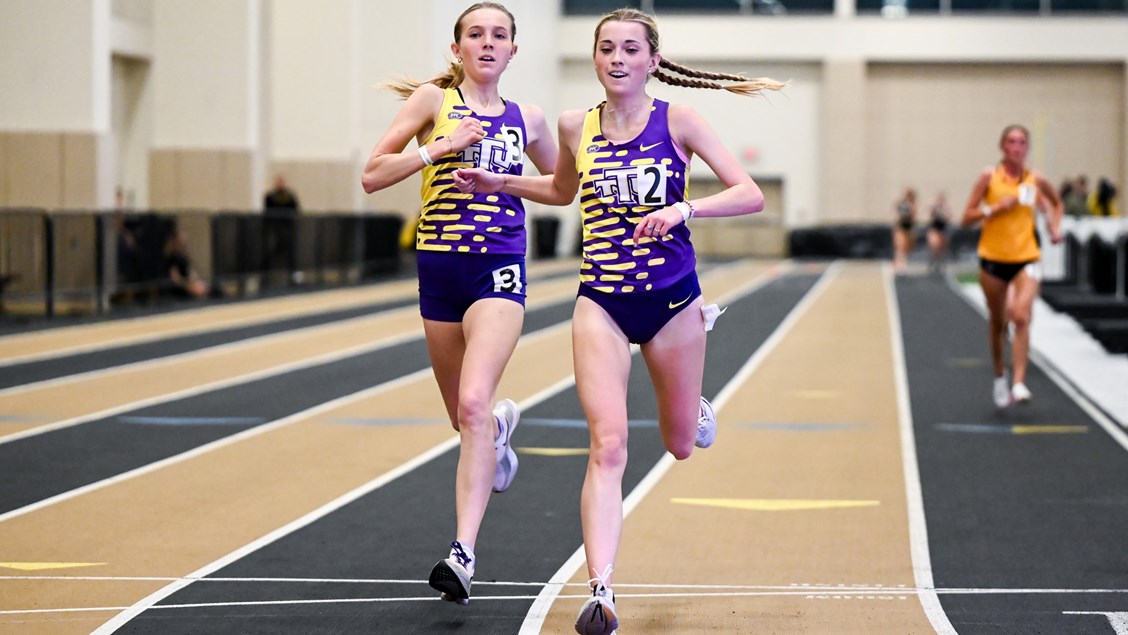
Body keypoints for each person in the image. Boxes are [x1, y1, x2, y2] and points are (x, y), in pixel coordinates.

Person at [452, 9, 782, 634]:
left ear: (652, 61)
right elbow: (560, 190)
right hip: (599, 300)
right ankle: (600, 591)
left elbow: (750, 193)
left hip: (671, 302)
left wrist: (684, 209)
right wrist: (498, 179)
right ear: (596, 59)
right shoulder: (578, 125)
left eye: (631, 49)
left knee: (680, 443)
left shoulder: (678, 121)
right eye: (607, 48)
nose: (618, 58)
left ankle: (696, 407)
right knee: (608, 446)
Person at [358, 2, 557, 606]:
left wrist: (506, 182)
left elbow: (560, 187)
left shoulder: (531, 118)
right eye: (476, 35)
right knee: (465, 418)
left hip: (497, 269)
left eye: (500, 35)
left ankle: (462, 554)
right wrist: (436, 149)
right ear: (458, 50)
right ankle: (497, 429)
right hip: (439, 271)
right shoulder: (430, 103)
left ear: (514, 52)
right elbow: (371, 175)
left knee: (472, 399)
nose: (488, 44)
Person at [960, 124, 1063, 408]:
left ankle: (1019, 383)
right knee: (998, 321)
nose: (1017, 147)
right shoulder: (988, 177)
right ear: (1002, 146)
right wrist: (993, 208)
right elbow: (965, 217)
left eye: (1022, 142)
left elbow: (1057, 204)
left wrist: (1054, 227)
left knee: (1020, 315)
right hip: (993, 258)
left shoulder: (1035, 179)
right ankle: (999, 375)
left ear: (1027, 148)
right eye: (1011, 142)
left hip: (1026, 256)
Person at [163, 229, 210, 300]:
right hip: (180, 289)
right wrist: (188, 286)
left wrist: (198, 282)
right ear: (176, 242)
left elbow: (191, 272)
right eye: (182, 240)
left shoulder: (183, 257)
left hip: (189, 285)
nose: (185, 242)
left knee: (213, 289)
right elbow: (176, 279)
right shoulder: (171, 259)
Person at [892, 188, 917, 273]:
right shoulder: (903, 204)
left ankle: (902, 262)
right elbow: (899, 214)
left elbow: (913, 216)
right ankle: (898, 263)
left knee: (906, 246)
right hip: (902, 226)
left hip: (908, 227)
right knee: (900, 246)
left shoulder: (912, 205)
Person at [926, 191, 951, 274]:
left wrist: (943, 213)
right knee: (934, 246)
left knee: (942, 248)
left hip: (943, 229)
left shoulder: (946, 208)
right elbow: (930, 213)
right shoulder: (935, 207)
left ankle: (941, 263)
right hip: (935, 228)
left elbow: (949, 217)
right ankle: (932, 262)